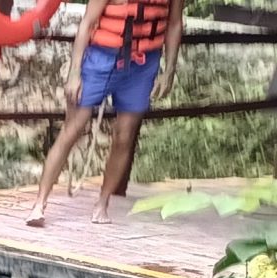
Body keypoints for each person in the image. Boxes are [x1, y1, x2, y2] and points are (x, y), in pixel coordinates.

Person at [26, 0, 182, 228]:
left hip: (142, 63)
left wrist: (169, 69)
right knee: (73, 129)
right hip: (102, 57)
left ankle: (102, 203)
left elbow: (175, 23)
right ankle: (39, 204)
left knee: (124, 136)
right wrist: (74, 73)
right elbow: (88, 23)